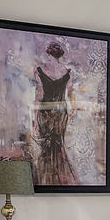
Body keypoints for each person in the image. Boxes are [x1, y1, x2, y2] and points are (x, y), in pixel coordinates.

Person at [32, 41, 77, 185]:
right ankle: (56, 178)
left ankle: (47, 179)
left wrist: (33, 120)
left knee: (47, 146)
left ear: (48, 53)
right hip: (60, 112)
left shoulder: (39, 70)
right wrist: (73, 109)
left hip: (45, 112)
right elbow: (71, 93)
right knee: (57, 145)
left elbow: (38, 97)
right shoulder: (67, 72)